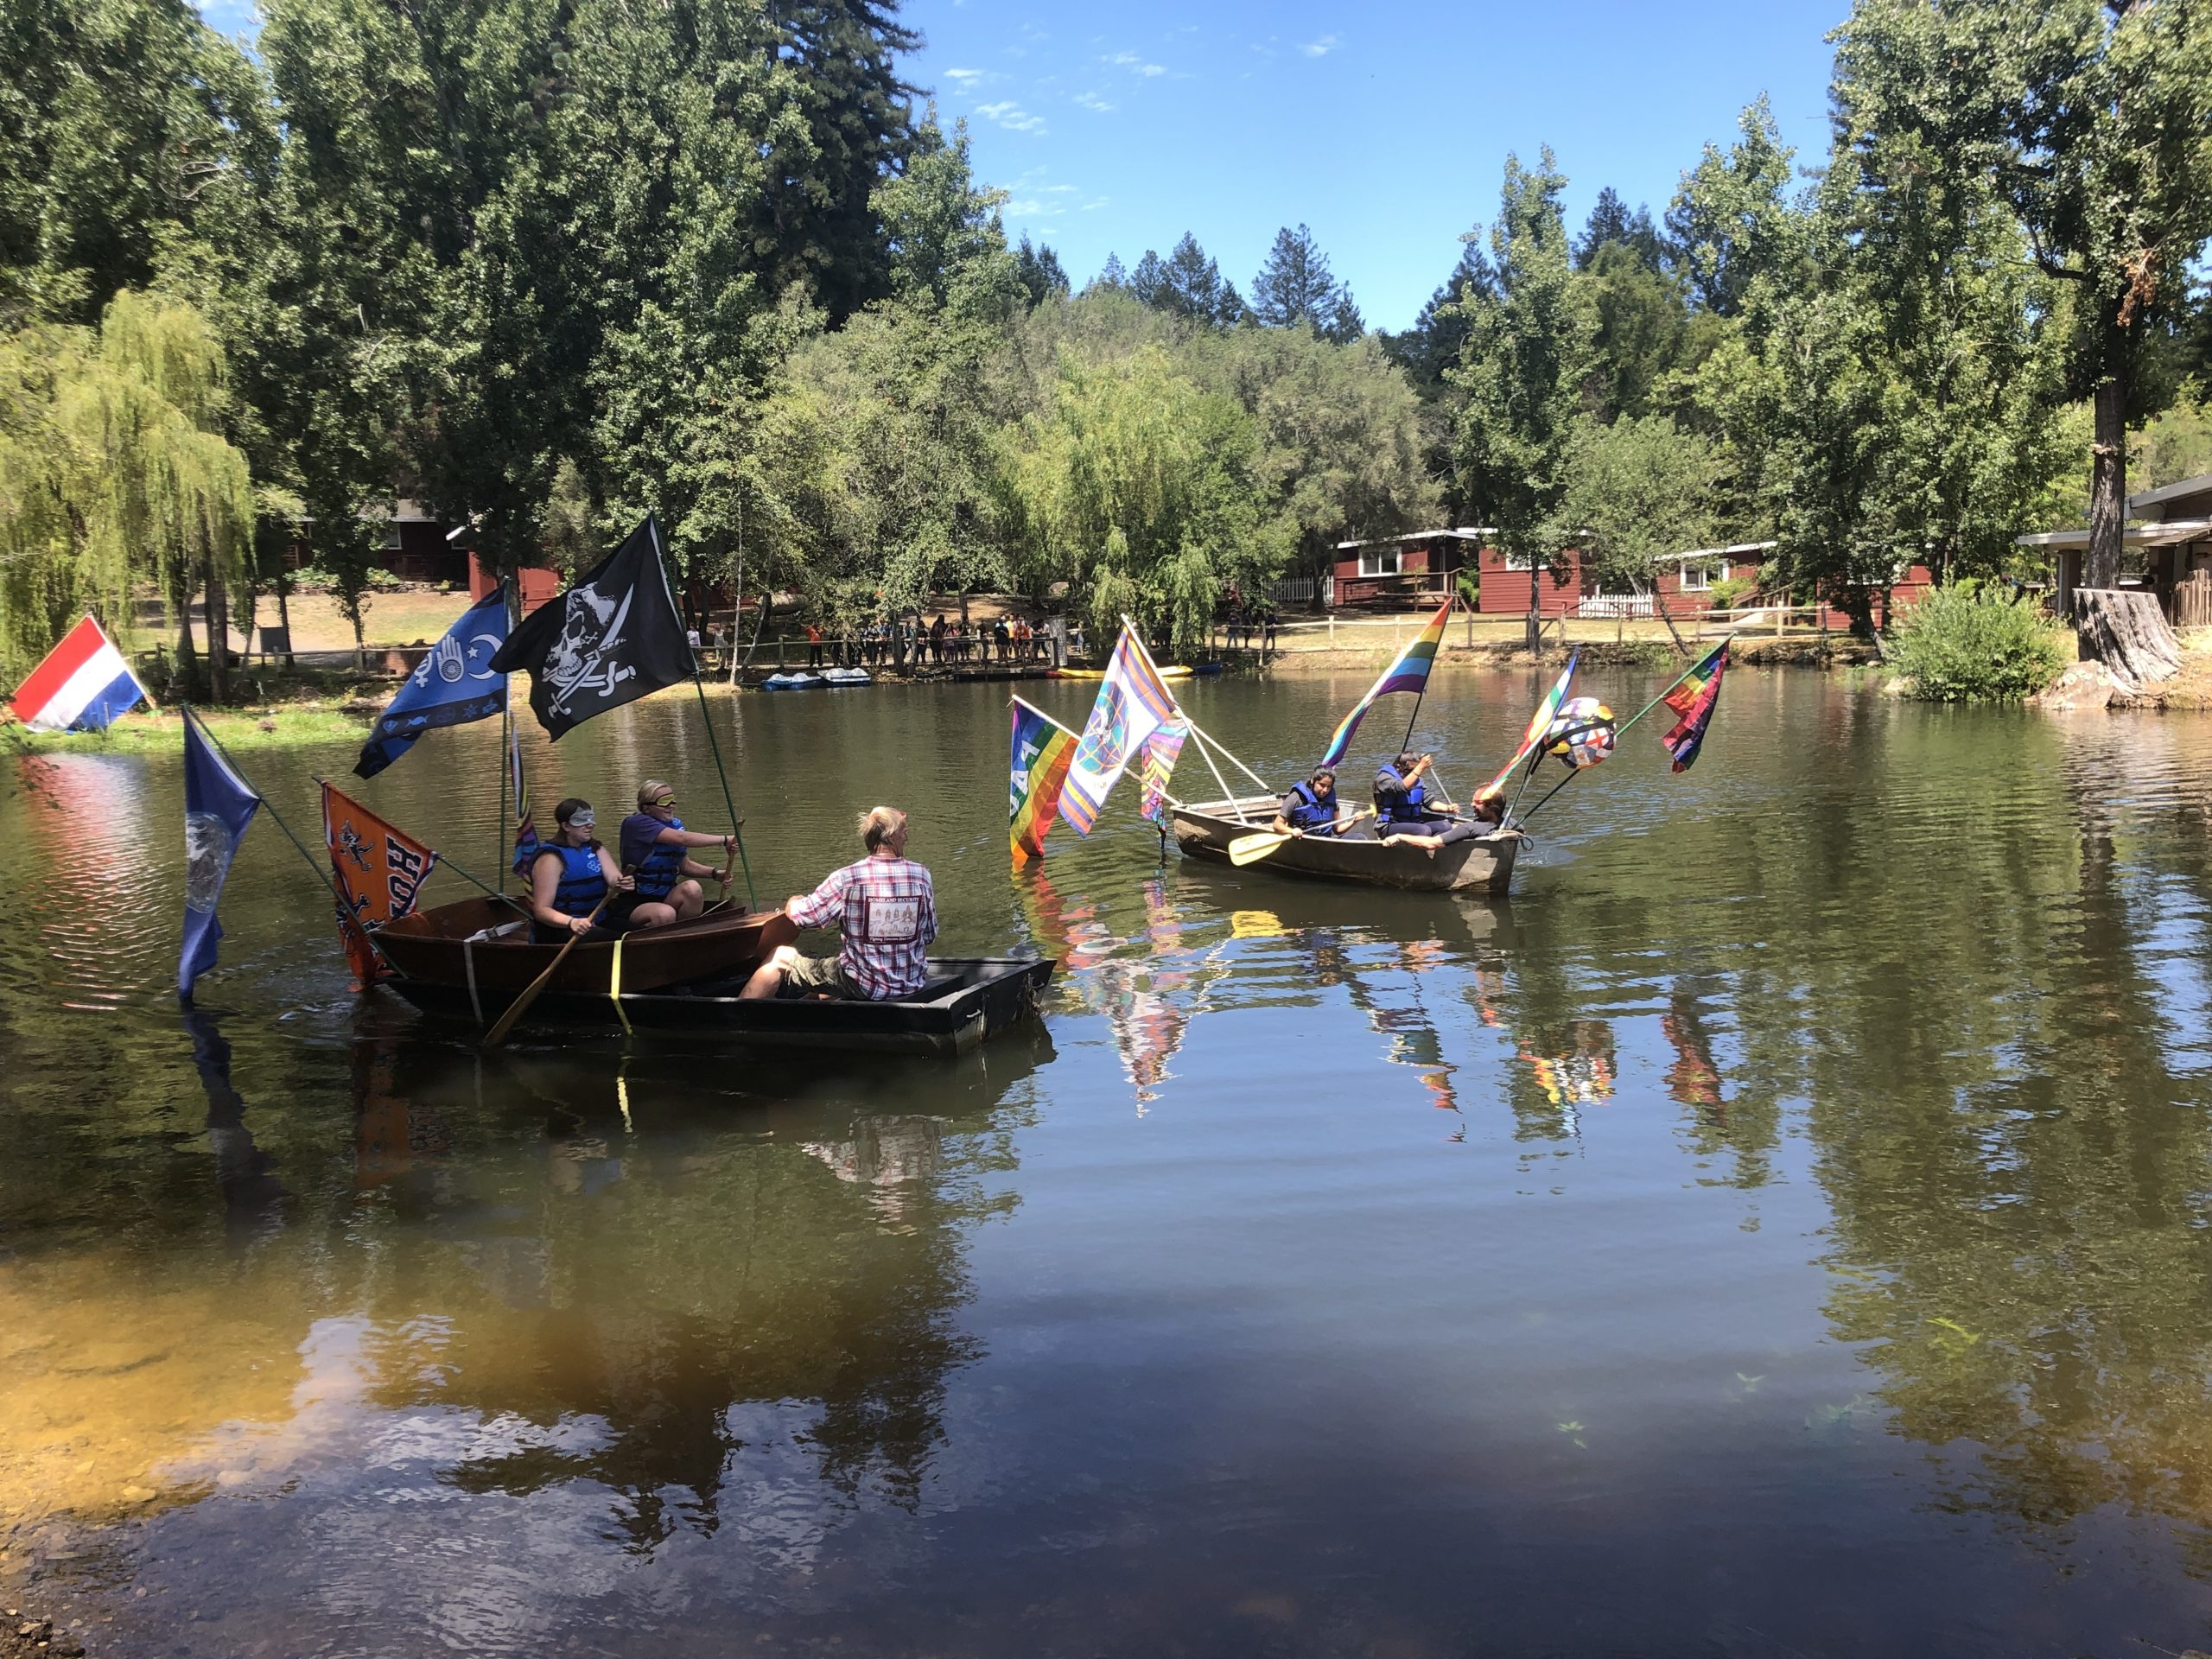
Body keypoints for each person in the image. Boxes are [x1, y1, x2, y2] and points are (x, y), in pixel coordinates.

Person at [742, 806, 938, 1001]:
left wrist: (793, 902)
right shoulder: (921, 876)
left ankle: (736, 1015)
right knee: (834, 970)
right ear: (891, 836)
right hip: (909, 983)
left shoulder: (847, 878)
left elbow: (805, 917)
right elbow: (929, 935)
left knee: (779, 956)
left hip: (863, 985)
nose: (906, 838)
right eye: (904, 832)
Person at [616, 779, 737, 925]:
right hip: (635, 901)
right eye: (663, 801)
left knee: (693, 889)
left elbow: (684, 865)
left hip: (667, 896)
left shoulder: (675, 825)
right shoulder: (636, 824)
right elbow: (682, 839)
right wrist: (725, 840)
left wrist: (715, 874)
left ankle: (688, 933)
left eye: (672, 800)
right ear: (646, 807)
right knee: (665, 913)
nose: (671, 805)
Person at [526, 798, 637, 943]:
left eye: (591, 818)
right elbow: (541, 910)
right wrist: (571, 922)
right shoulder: (551, 858)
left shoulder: (597, 849)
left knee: (639, 934)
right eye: (581, 821)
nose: (590, 824)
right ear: (566, 826)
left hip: (597, 919)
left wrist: (623, 883)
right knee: (615, 939)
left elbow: (614, 879)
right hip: (562, 927)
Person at [1373, 750, 1478, 853]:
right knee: (1423, 830)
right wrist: (1421, 766)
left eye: (1415, 770)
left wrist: (1448, 808)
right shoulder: (1384, 778)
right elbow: (1401, 787)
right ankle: (1417, 856)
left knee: (1445, 826)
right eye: (1410, 770)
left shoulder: (1417, 780)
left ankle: (1436, 855)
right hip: (1389, 825)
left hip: (1413, 823)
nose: (1413, 773)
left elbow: (1430, 802)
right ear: (1400, 766)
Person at [1272, 765, 1357, 838]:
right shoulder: (1296, 797)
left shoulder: (1332, 800)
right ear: (1313, 780)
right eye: (1322, 785)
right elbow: (1277, 824)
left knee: (1359, 837)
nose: (1325, 790)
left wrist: (1354, 821)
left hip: (1325, 842)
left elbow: (1338, 829)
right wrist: (1292, 831)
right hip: (1302, 841)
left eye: (1329, 786)